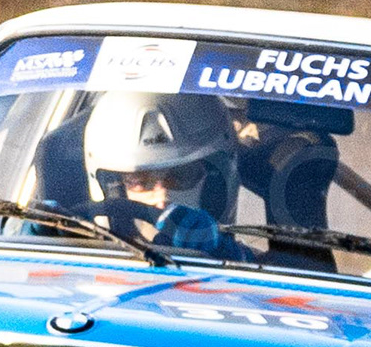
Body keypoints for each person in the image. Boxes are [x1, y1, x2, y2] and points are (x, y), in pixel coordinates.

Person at [81, 91, 254, 259]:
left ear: (216, 184)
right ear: (113, 187)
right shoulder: (73, 259)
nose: (162, 198)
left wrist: (225, 255)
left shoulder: (245, 264)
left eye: (181, 176)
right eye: (140, 182)